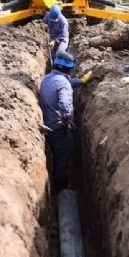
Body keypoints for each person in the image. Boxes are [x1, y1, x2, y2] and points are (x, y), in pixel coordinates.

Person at [39, 51, 92, 194]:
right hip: (59, 128)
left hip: (48, 125)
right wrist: (68, 120)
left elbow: (65, 82)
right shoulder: (64, 84)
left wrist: (80, 81)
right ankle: (62, 190)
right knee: (63, 158)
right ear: (68, 68)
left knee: (59, 156)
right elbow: (64, 103)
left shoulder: (48, 78)